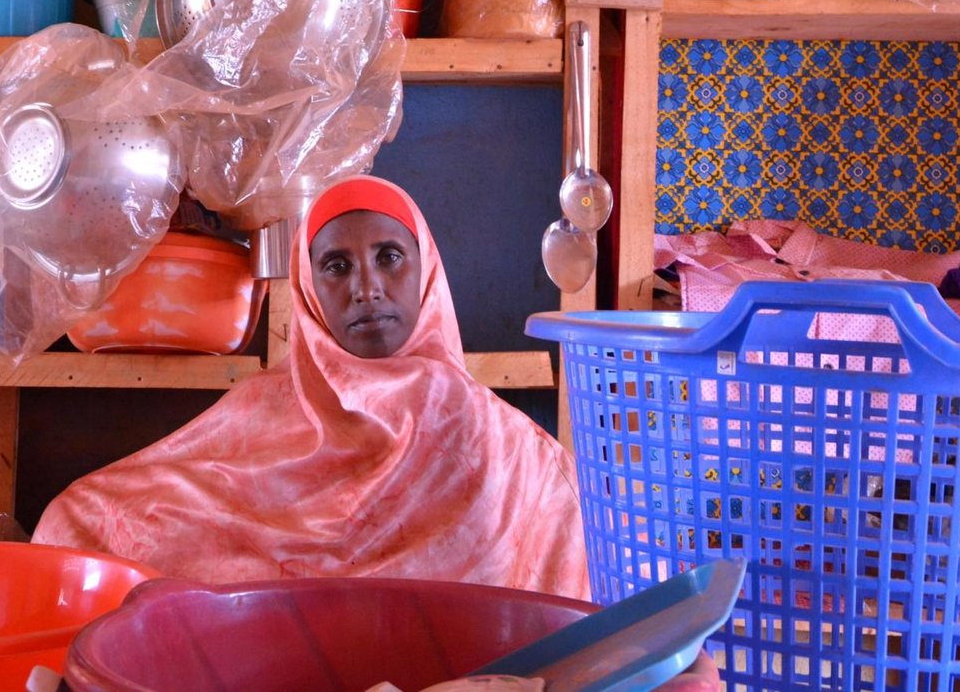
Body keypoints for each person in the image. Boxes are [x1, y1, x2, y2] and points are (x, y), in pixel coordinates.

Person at [33, 174, 590, 599]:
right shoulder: (264, 407)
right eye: (336, 266)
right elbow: (125, 509)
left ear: (427, 269)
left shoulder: (504, 445)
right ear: (306, 286)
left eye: (389, 257)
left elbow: (568, 545)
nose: (367, 287)